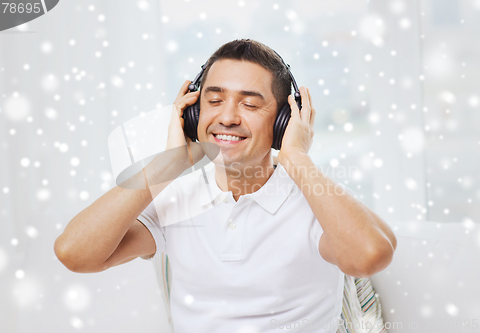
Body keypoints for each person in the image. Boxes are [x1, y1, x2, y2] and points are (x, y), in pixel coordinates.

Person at [54, 39, 397, 333]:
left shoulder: (316, 201)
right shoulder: (175, 200)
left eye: (249, 104)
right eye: (214, 101)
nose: (228, 117)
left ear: (283, 122)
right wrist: (170, 162)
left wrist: (296, 157)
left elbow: (370, 255)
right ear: (192, 115)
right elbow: (75, 254)